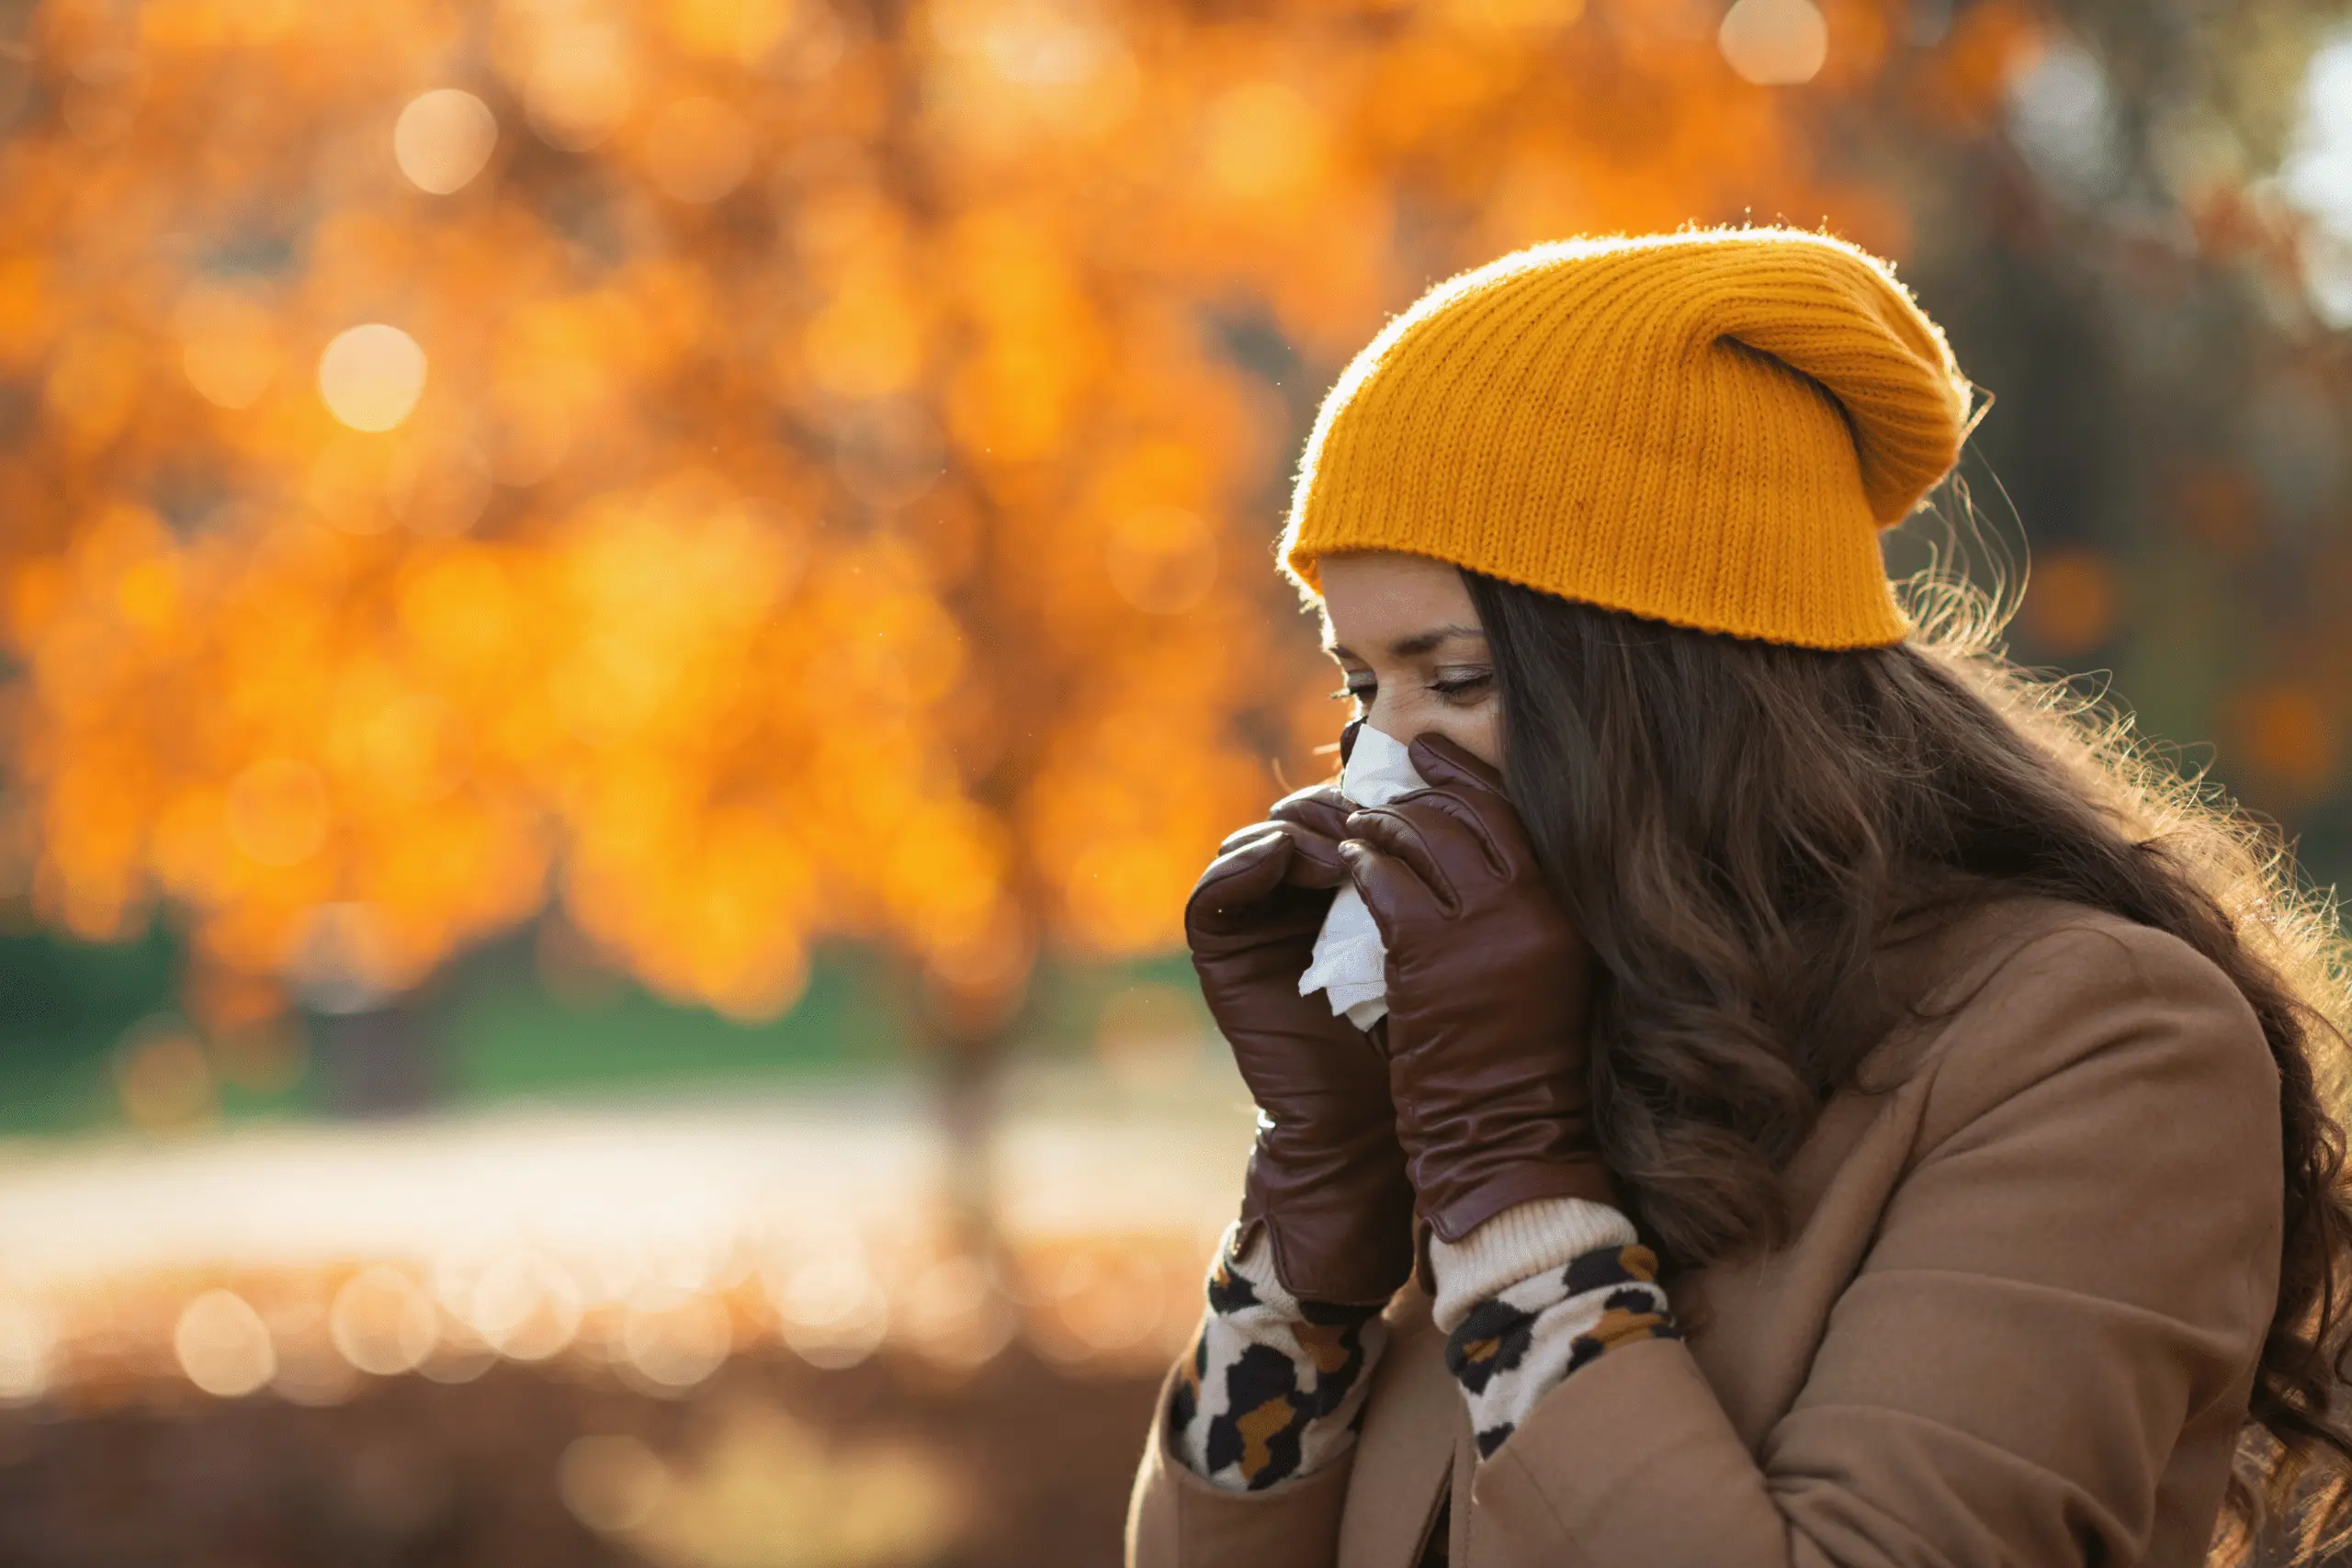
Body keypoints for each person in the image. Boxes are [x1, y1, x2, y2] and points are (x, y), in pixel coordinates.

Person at [1123, 228, 2352, 1568]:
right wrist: (1312, 1228)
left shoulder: (2099, 1049)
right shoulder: (1533, 1031)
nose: (1380, 770)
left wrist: (1515, 1201)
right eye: (1362, 689)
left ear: (1677, 687)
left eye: (1458, 681)